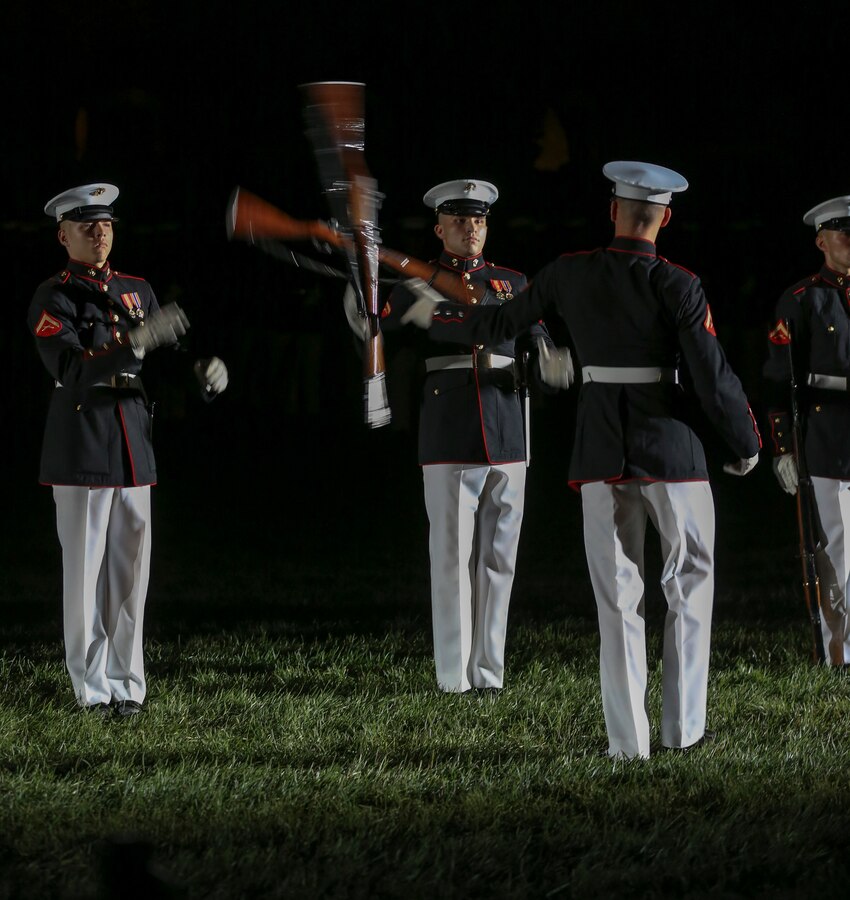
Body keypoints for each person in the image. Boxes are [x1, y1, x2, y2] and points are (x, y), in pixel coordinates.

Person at [400, 162, 761, 757]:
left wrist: (431, 313)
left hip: (599, 452)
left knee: (617, 601)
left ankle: (628, 742)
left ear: (611, 211)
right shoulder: (679, 284)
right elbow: (711, 375)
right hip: (671, 452)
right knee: (689, 584)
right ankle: (683, 729)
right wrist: (745, 442)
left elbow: (496, 323)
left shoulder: (569, 273)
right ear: (665, 217)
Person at [350, 178, 562, 693]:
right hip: (450, 432)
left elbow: (537, 336)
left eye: (480, 220)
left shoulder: (511, 281)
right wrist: (359, 297)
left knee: (499, 560)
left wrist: (549, 357)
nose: (472, 228)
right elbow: (374, 325)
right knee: (451, 559)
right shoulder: (416, 285)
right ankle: (453, 677)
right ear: (440, 227)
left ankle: (489, 672)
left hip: (509, 426)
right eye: (462, 220)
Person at [27, 183, 229, 719]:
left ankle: (127, 684)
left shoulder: (136, 288)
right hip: (83, 440)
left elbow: (168, 354)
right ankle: (91, 688)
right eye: (87, 225)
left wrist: (201, 373)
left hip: (132, 440)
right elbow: (70, 369)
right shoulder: (54, 296)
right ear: (63, 234)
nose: (99, 233)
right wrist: (133, 343)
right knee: (86, 573)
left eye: (107, 224)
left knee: (131, 572)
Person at [763, 194, 850, 666]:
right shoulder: (802, 300)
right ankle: (841, 653)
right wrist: (783, 447)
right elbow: (779, 379)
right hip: (830, 439)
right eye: (844, 232)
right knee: (838, 550)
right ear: (822, 240)